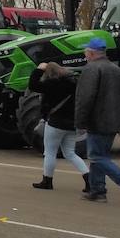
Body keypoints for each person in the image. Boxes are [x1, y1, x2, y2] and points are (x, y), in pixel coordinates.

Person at [73, 38, 120, 205]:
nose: (84, 54)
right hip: (114, 122)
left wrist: (80, 121)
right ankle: (98, 191)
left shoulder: (91, 69)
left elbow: (85, 99)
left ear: (92, 52)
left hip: (97, 121)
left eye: (86, 51)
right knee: (100, 155)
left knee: (97, 156)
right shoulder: (117, 70)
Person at [28, 62, 87, 190]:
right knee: (70, 153)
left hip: (55, 123)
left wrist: (38, 70)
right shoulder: (74, 84)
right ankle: (88, 179)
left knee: (49, 152)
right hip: (72, 123)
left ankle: (47, 181)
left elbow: (33, 85)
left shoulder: (51, 84)